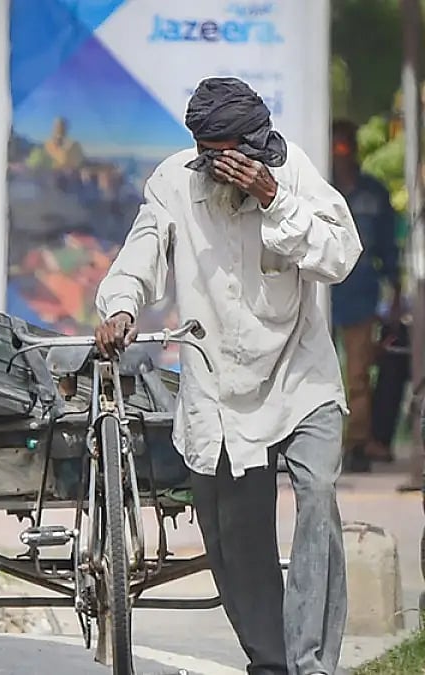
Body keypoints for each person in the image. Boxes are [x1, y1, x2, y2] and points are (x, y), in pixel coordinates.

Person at [93, 76, 361, 675]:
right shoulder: (173, 182)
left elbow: (341, 256)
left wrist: (274, 200)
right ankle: (272, 662)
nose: (226, 168)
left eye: (236, 154)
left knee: (318, 499)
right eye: (213, 156)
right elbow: (142, 252)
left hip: (300, 377)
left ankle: (311, 664)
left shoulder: (292, 175)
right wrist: (120, 306)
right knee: (237, 537)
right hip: (216, 389)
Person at [329, 119, 402, 473]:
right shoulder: (318, 188)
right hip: (320, 296)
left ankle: (357, 444)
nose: (339, 154)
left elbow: (388, 247)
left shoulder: (373, 192)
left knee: (358, 375)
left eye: (344, 146)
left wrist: (396, 292)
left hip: (360, 294)